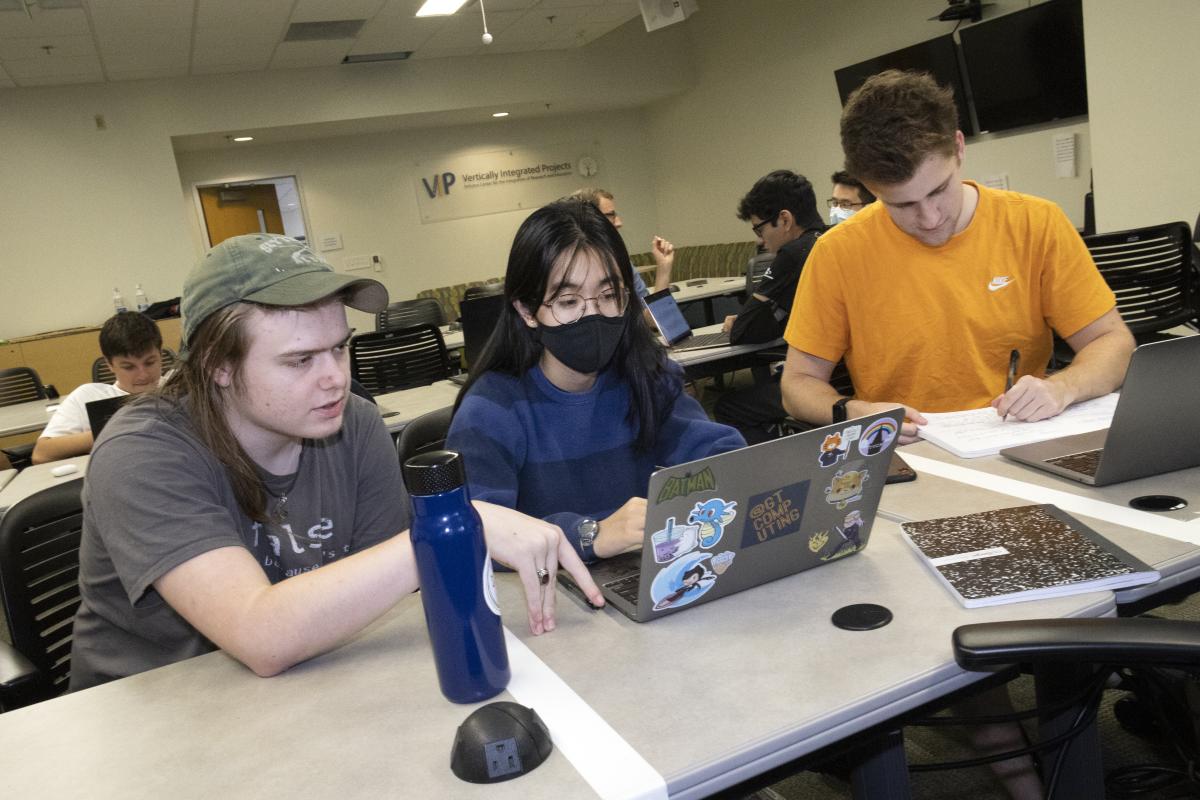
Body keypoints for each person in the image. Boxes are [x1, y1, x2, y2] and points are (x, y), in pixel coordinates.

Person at [69, 233, 602, 691]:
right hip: (156, 720)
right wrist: (452, 531)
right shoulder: (141, 454)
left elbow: (381, 607)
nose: (335, 379)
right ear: (218, 365)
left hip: (308, 687)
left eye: (339, 349)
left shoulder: (355, 424)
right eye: (300, 359)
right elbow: (259, 634)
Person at [782, 69, 1134, 445]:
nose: (929, 218)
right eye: (902, 204)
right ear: (868, 188)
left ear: (960, 147)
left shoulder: (1035, 223)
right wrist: (850, 411)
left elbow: (1113, 343)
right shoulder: (838, 252)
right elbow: (796, 385)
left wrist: (1064, 387)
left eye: (938, 190)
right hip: (912, 456)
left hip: (1020, 440)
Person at [446, 200, 744, 563]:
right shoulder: (491, 411)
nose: (594, 315)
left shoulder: (647, 376)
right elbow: (476, 533)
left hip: (648, 578)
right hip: (552, 599)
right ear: (526, 310)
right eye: (568, 301)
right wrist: (591, 534)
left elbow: (719, 456)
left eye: (608, 296)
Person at [712, 170, 826, 444]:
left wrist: (740, 320)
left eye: (760, 229)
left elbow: (743, 332)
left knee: (727, 407)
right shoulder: (833, 239)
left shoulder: (793, 253)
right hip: (847, 376)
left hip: (818, 383)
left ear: (785, 220)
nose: (760, 241)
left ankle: (777, 467)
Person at [31, 311, 164, 465]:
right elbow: (41, 454)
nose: (143, 375)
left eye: (150, 363)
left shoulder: (178, 387)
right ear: (109, 364)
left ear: (160, 355)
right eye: (128, 367)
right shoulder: (88, 395)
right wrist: (115, 430)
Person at [569, 187, 675, 297]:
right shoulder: (566, 268)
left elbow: (649, 313)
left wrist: (663, 267)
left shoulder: (621, 260)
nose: (619, 223)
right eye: (611, 215)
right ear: (587, 218)